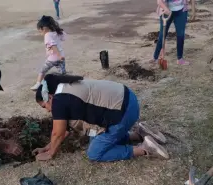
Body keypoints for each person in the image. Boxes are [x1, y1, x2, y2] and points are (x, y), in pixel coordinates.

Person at [32, 74, 169, 162]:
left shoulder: (59, 100)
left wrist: (50, 154)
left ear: (49, 96)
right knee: (96, 138)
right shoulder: (66, 87)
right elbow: (64, 131)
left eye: (45, 106)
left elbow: (58, 133)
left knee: (94, 153)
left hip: (122, 113)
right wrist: (46, 147)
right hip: (130, 100)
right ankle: (139, 134)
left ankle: (145, 148)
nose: (48, 110)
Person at [150, 0, 196, 66]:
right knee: (162, 35)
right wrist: (166, 9)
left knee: (180, 35)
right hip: (166, 11)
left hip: (181, 11)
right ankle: (155, 58)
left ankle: (180, 59)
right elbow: (159, 1)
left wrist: (193, 11)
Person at [30, 15, 67, 91]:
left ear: (43, 28)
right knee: (62, 74)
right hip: (61, 58)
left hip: (52, 58)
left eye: (40, 30)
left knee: (42, 70)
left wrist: (58, 55)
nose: (41, 33)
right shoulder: (56, 32)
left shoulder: (47, 35)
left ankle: (38, 84)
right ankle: (65, 86)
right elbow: (64, 37)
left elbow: (53, 46)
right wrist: (59, 30)